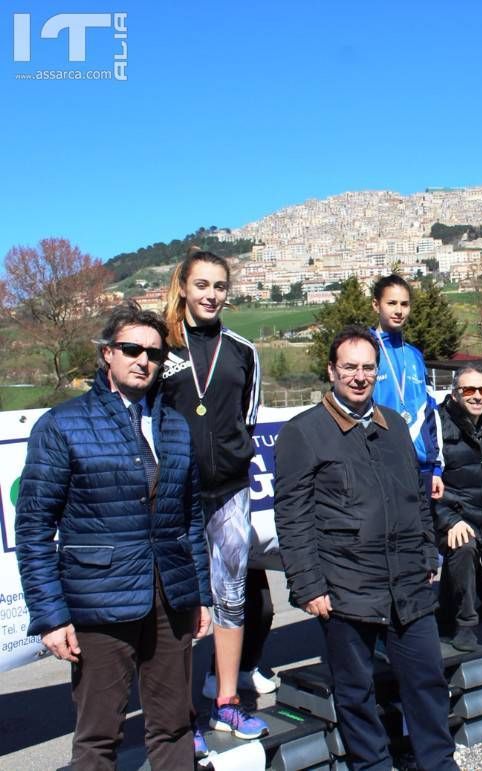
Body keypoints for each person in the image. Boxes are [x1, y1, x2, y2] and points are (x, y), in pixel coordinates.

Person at [15, 302, 212, 770]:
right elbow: (35, 528)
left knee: (175, 724)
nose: (143, 360)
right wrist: (50, 615)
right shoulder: (62, 426)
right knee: (99, 735)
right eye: (131, 349)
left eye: (154, 353)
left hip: (171, 600)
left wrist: (200, 592)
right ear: (108, 354)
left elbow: (191, 520)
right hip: (98, 600)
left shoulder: (176, 426)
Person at [273, 326, 458, 771]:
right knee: (356, 692)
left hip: (407, 583)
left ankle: (438, 762)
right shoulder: (304, 432)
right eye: (350, 367)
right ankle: (372, 765)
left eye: (368, 368)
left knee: (426, 680)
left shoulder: (393, 425)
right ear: (331, 371)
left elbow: (413, 499)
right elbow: (293, 517)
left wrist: (425, 555)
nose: (359, 377)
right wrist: (308, 585)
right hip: (345, 585)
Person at [160, 247, 268, 745]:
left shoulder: (244, 350)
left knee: (230, 598)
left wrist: (231, 456)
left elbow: (246, 421)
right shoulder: (159, 345)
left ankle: (226, 702)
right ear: (183, 286)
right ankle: (180, 720)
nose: (211, 294)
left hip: (228, 492)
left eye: (219, 286)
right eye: (201, 285)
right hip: (172, 497)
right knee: (179, 606)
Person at [435, 367, 482, 651]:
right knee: (463, 547)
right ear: (454, 393)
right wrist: (449, 520)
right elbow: (424, 480)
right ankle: (465, 624)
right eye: (468, 390)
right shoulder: (436, 425)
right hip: (448, 515)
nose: (477, 396)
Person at [370, 274, 444, 501]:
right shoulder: (366, 349)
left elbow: (431, 411)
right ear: (376, 305)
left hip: (420, 467)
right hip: (380, 464)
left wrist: (437, 467)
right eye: (391, 303)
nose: (399, 310)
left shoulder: (415, 355)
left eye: (404, 304)